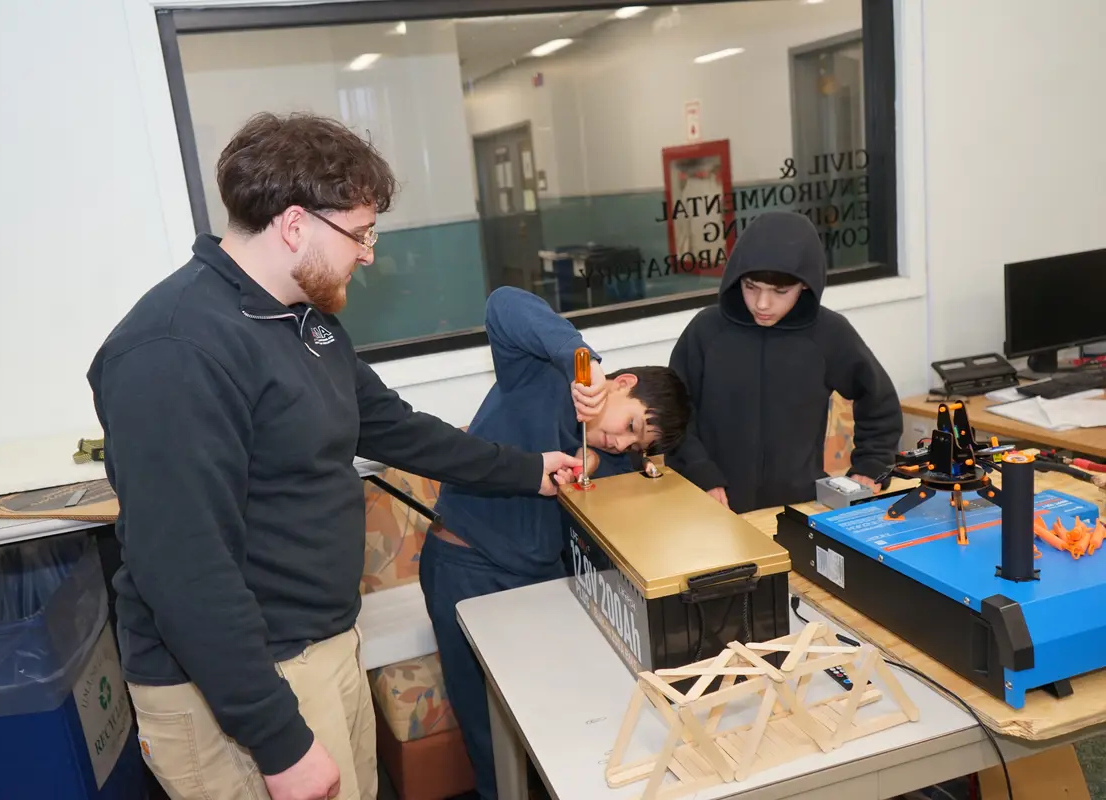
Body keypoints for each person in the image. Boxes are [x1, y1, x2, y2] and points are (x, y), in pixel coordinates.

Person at [86, 112, 584, 800]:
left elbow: (394, 427)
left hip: (320, 646)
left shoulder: (302, 319)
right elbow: (183, 570)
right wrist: (280, 742)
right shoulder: (175, 351)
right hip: (237, 689)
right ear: (295, 226)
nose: (369, 253)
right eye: (359, 234)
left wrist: (529, 470)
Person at [419, 286, 692, 800]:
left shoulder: (613, 461)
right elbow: (503, 303)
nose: (621, 442)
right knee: (489, 736)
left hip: (541, 584)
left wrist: (599, 464)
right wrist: (580, 362)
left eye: (636, 445)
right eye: (629, 425)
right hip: (466, 568)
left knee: (556, 734)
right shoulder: (543, 372)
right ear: (621, 384)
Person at [666, 210, 902, 515]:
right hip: (713, 507)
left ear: (805, 285)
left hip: (799, 507)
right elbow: (674, 414)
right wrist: (700, 472)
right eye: (751, 287)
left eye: (780, 291)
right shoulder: (706, 330)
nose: (762, 304)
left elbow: (879, 401)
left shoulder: (829, 333)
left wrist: (872, 464)